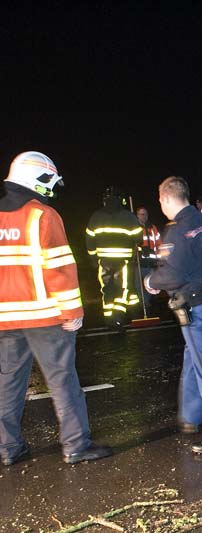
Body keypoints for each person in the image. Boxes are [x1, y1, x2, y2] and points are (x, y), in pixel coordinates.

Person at [0, 151, 113, 466]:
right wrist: (73, 312)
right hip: (45, 316)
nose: (51, 188)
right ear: (35, 178)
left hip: (6, 320)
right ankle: (76, 446)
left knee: (8, 385)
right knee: (63, 381)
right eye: (49, 180)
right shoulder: (42, 216)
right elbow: (61, 269)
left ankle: (9, 449)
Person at [144, 176, 202, 454]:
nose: (160, 203)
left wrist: (151, 282)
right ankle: (189, 416)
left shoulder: (177, 232)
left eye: (160, 199)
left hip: (196, 307)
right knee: (194, 356)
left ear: (167, 199)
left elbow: (173, 274)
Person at [85, 187, 142, 328]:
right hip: (123, 261)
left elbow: (89, 239)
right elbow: (139, 237)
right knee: (122, 289)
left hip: (103, 261)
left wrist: (93, 258)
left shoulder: (96, 216)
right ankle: (118, 317)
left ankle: (109, 318)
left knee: (107, 290)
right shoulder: (128, 216)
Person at [135, 206, 161, 312]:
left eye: (145, 214)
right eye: (141, 214)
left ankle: (146, 302)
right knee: (138, 285)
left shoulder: (152, 228)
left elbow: (159, 243)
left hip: (150, 262)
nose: (144, 216)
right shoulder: (134, 228)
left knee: (149, 284)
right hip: (137, 262)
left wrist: (159, 259)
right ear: (137, 216)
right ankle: (142, 303)